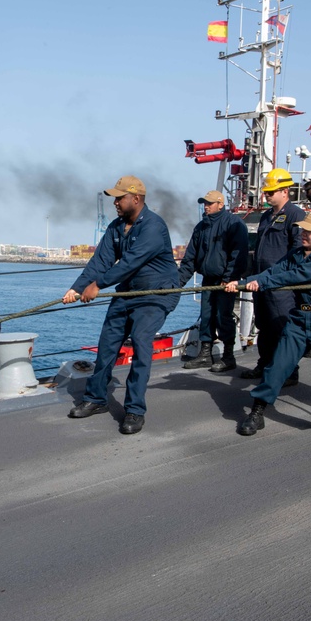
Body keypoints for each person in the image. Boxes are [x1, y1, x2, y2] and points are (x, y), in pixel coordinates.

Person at [63, 175, 180, 435]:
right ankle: (96, 399)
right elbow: (100, 261)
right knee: (107, 345)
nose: (114, 202)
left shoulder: (153, 226)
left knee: (140, 341)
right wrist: (78, 287)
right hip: (128, 292)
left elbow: (131, 263)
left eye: (119, 197)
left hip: (156, 294)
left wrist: (98, 285)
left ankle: (135, 410)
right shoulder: (117, 227)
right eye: (114, 198)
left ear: (135, 199)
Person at [224, 207, 311, 441]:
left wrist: (261, 284)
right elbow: (276, 270)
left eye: (309, 231)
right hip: (300, 318)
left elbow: (292, 277)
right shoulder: (297, 253)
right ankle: (257, 411)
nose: (303, 234)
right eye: (303, 229)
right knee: (277, 367)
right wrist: (244, 282)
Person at [240, 168, 306, 385]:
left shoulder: (296, 215)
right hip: (261, 282)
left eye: (271, 192)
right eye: (266, 192)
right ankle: (265, 363)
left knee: (282, 328)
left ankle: (290, 370)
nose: (266, 195)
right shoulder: (267, 216)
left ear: (285, 191)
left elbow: (297, 251)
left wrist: (281, 276)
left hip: (281, 285)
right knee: (265, 326)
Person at [177, 189, 249, 373]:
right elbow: (190, 258)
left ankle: (228, 356)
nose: (206, 206)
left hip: (226, 282)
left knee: (223, 316)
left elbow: (238, 254)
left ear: (220, 204)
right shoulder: (201, 227)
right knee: (207, 315)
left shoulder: (234, 224)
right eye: (205, 203)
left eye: (209, 203)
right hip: (208, 279)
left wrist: (229, 278)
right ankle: (205, 354)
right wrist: (177, 283)